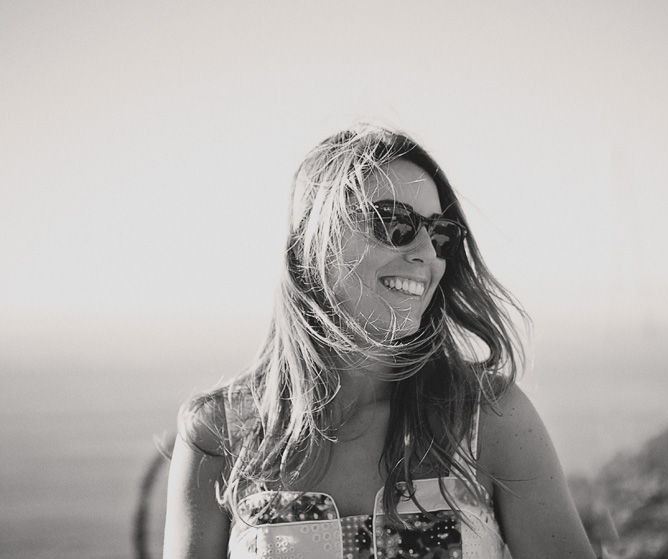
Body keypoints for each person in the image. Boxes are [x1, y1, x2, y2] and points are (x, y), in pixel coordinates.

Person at [163, 124, 596, 559]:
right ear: (315, 244)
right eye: (394, 223)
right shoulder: (219, 436)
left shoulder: (490, 417)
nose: (427, 253)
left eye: (441, 233)